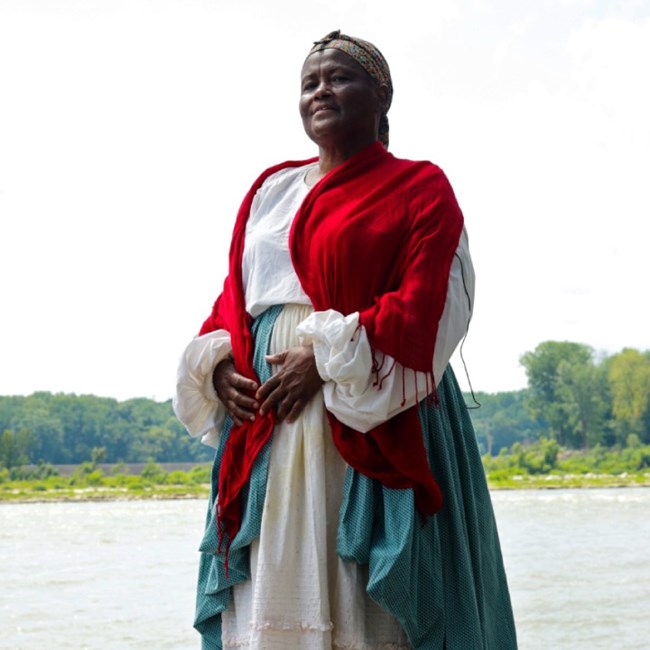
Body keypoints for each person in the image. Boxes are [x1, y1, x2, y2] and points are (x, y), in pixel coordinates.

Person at [174, 30, 518, 650]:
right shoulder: (270, 190)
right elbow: (234, 296)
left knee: (366, 599)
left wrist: (327, 361)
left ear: (381, 96)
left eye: (338, 78)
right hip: (271, 417)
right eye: (310, 83)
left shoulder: (419, 187)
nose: (321, 91)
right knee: (277, 585)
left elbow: (431, 302)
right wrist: (220, 362)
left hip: (367, 400)